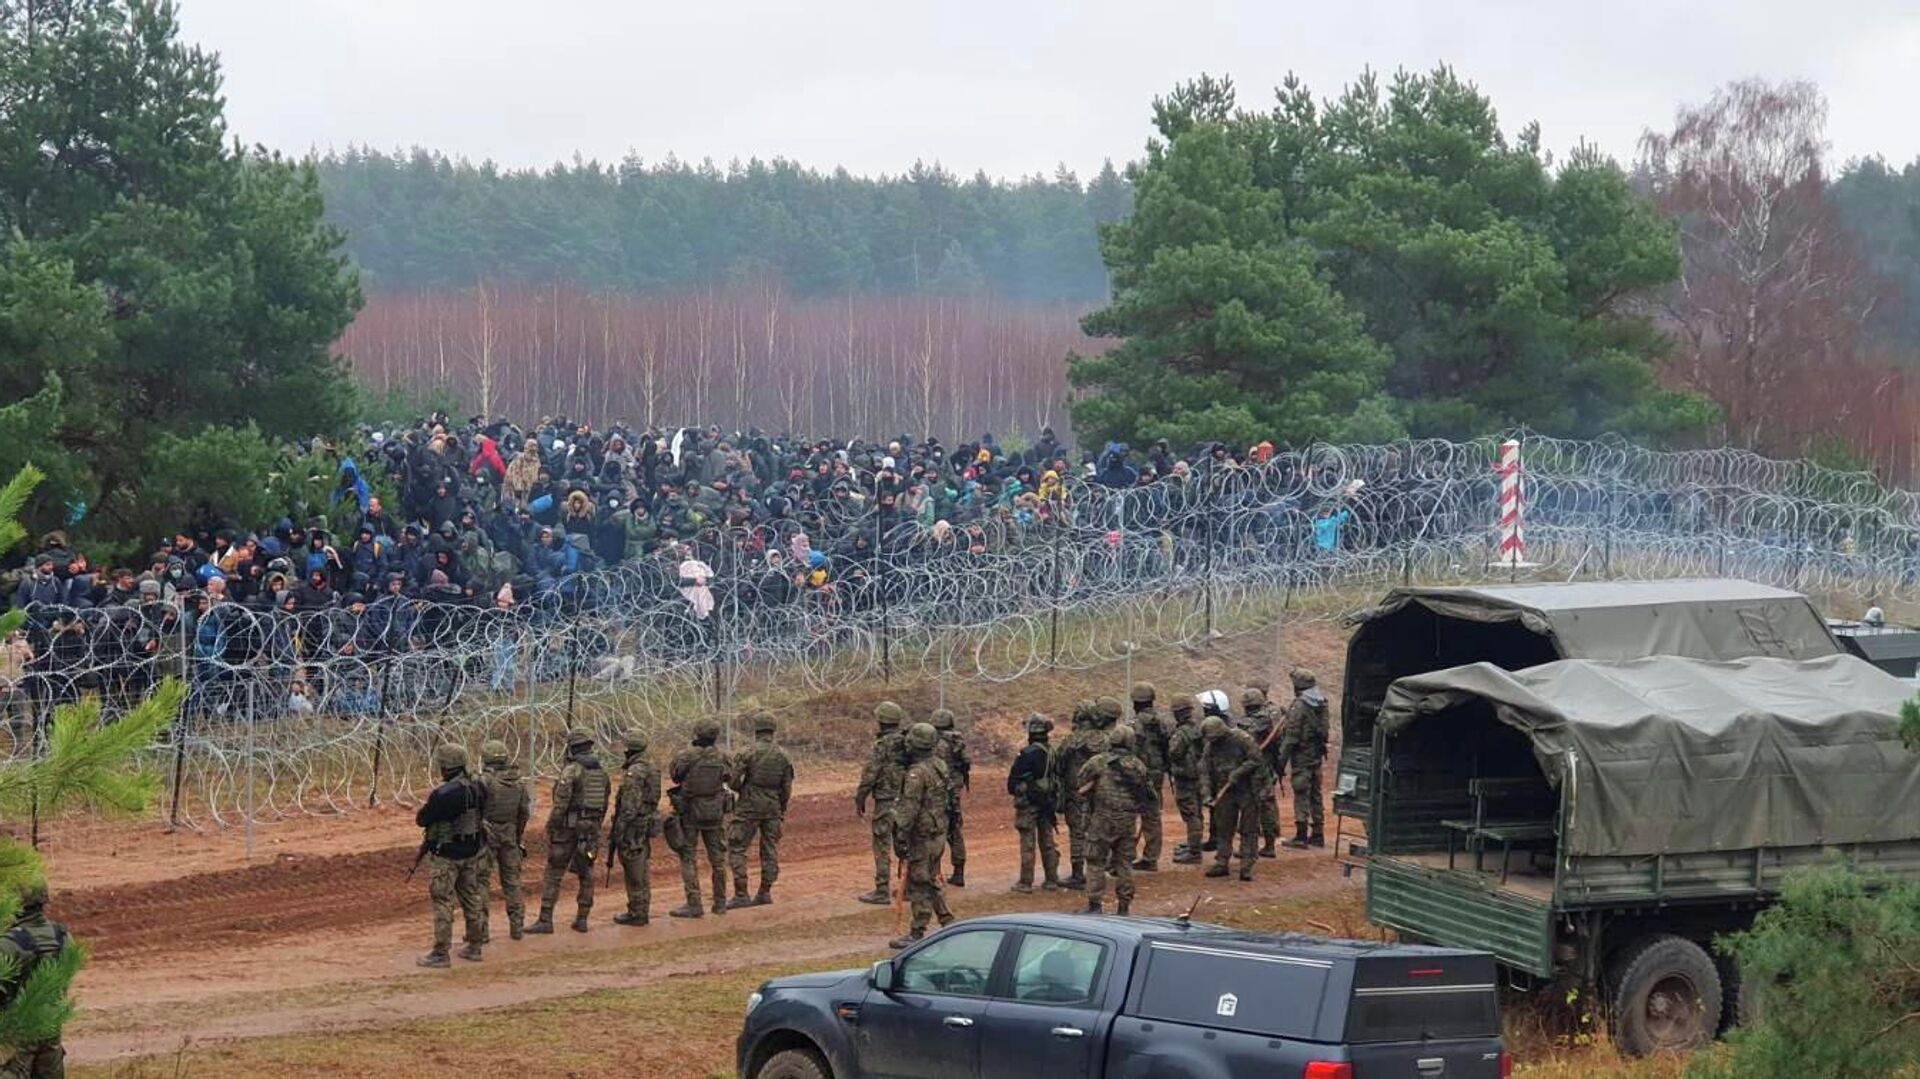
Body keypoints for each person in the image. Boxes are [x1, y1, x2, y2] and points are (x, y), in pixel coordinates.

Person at [528, 728, 609, 934]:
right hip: (590, 828)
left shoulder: (571, 770)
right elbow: (604, 803)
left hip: (568, 828)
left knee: (554, 872)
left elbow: (560, 804)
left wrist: (552, 826)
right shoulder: (601, 772)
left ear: (572, 748)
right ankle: (582, 918)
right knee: (586, 873)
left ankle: (545, 919)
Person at [415, 743, 489, 967]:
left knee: (443, 901)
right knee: (471, 897)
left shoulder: (443, 794)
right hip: (472, 850)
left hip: (447, 854)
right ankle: (475, 946)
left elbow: (423, 819)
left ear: (446, 767)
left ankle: (441, 953)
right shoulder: (478, 787)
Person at [889, 723, 955, 949]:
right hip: (937, 831)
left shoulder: (917, 773)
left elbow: (909, 809)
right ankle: (947, 920)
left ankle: (917, 931)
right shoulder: (939, 765)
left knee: (919, 881)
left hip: (922, 835)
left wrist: (899, 836)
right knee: (931, 877)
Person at [1077, 724, 1152, 915]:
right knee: (1124, 864)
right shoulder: (1138, 766)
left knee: (1095, 862)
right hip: (1127, 821)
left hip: (1102, 819)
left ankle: (1095, 905)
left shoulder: (1099, 762)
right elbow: (1148, 794)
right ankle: (1124, 907)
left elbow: (1080, 779)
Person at [0, 878, 71, 1076]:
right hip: (51, 1029)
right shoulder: (62, 935)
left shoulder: (8, 943)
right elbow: (64, 980)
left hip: (17, 1034)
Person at [727, 710, 793, 909]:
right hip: (773, 806)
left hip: (748, 806)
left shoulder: (747, 752)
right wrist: (780, 807)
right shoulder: (783, 755)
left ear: (756, 729)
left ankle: (741, 894)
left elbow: (733, 780)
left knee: (737, 847)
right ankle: (765, 891)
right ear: (773, 729)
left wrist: (743, 790)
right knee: (770, 849)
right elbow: (786, 787)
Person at [668, 718, 731, 918]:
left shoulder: (686, 756)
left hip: (690, 812)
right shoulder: (722, 756)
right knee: (718, 860)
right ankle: (720, 903)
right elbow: (730, 776)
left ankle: (694, 903)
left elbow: (675, 776)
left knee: (688, 857)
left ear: (697, 734)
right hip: (714, 812)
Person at [475, 739, 532, 939]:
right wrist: (517, 836)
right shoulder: (518, 782)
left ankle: (481, 931)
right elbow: (524, 812)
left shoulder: (484, 781)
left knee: (481, 882)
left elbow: (476, 809)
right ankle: (517, 927)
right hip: (510, 833)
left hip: (487, 833)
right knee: (512, 882)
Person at [852, 701, 907, 905]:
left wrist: (860, 797)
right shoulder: (907, 743)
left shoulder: (882, 746)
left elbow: (871, 774)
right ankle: (908, 886)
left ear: (881, 721)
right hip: (905, 801)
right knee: (905, 844)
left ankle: (882, 889)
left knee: (882, 845)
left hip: (885, 802)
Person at [1199, 716, 1262, 882]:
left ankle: (1246, 865)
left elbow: (1256, 759)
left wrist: (1238, 773)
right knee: (1224, 827)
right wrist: (1206, 794)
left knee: (1249, 829)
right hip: (1224, 791)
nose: (1215, 742)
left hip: (1248, 789)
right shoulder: (1210, 747)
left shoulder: (1242, 739)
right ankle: (1222, 862)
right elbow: (1204, 772)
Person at [1276, 667, 1331, 849]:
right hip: (1316, 756)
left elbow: (1291, 738)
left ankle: (1301, 836)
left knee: (1301, 794)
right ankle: (1318, 834)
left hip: (1302, 758)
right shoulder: (1322, 703)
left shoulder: (1299, 706)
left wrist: (1280, 763)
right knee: (1316, 795)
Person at [1007, 713, 1062, 893]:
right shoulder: (1052, 751)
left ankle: (1025, 882)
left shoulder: (1027, 753)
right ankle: (1052, 879)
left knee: (1028, 842)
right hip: (1047, 802)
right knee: (1047, 840)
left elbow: (1013, 782)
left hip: (1029, 803)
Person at [611, 729, 661, 926]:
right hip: (646, 821)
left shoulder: (635, 771)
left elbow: (629, 806)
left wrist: (619, 830)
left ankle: (637, 912)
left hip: (634, 826)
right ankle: (641, 908)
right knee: (641, 867)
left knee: (634, 869)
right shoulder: (651, 767)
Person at [1047, 700, 1098, 890]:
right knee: (1097, 831)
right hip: (1099, 792)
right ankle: (1098, 869)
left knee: (1077, 833)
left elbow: (1058, 764)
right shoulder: (1104, 739)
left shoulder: (1072, 740)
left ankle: (1078, 873)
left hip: (1075, 792)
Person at [1127, 682, 1171, 871]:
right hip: (1157, 773)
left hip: (1137, 773)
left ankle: (1126, 854)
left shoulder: (1134, 725)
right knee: (1152, 815)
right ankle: (1151, 857)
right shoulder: (1162, 722)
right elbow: (1168, 748)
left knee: (1129, 814)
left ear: (1136, 703)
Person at [929, 708, 970, 888]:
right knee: (955, 831)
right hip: (954, 791)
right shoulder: (957, 741)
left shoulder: (937, 744)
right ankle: (959, 872)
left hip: (940, 792)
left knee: (936, 831)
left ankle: (935, 873)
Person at [1165, 696, 1206, 863]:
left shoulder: (1181, 733)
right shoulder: (1199, 728)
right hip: (1199, 777)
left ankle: (1195, 852)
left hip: (1185, 778)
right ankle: (1194, 844)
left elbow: (1174, 753)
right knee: (1197, 812)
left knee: (1191, 814)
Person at [1241, 687, 1281, 858]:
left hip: (1251, 770)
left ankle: (1249, 848)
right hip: (1266, 769)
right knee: (1267, 807)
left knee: (1250, 808)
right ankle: (1269, 845)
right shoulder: (1270, 722)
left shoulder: (1247, 724)